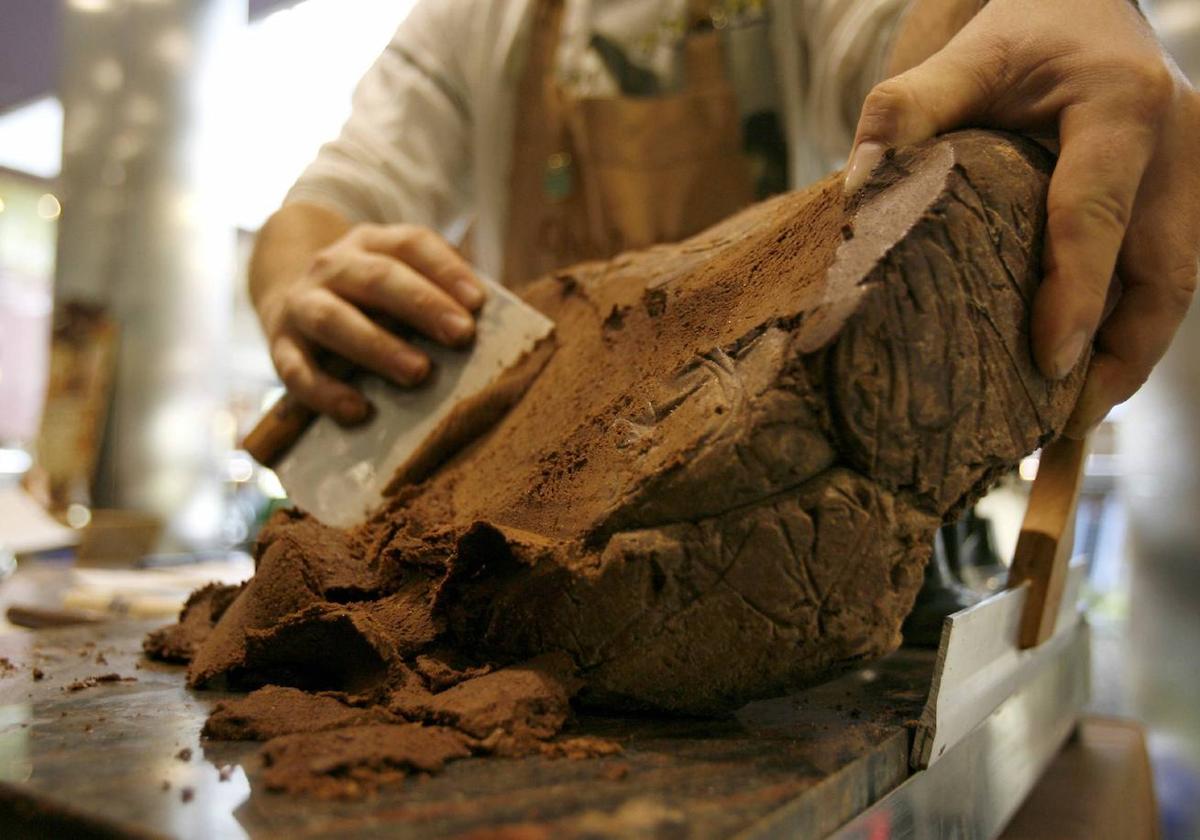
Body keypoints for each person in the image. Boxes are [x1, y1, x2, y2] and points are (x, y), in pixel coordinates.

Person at [249, 0, 1199, 444]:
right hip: (533, 497)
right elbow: (336, 197)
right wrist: (302, 282)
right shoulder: (471, 21)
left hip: (783, 475)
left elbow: (928, 39)